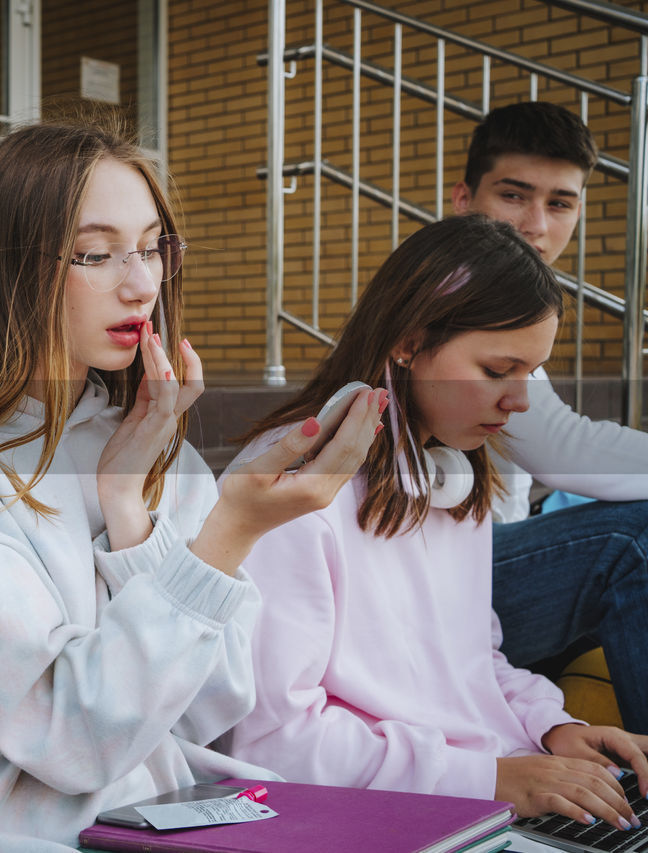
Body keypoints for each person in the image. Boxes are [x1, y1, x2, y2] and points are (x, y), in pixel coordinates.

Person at [0, 115, 385, 851]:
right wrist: (228, 534)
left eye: (154, 248)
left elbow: (209, 703)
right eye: (96, 254)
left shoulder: (149, 445)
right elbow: (66, 735)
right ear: (3, 268)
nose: (142, 283)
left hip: (151, 815)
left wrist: (131, 513)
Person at [220, 214, 648, 830]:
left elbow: (476, 661)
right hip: (402, 813)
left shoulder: (450, 476)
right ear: (409, 341)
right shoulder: (293, 491)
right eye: (498, 371)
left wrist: (551, 727)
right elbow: (271, 742)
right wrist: (489, 780)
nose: (520, 400)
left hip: (488, 786)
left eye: (530, 372)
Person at [450, 101, 648, 734]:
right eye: (514, 195)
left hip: (476, 559)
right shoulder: (453, 293)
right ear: (464, 199)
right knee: (633, 538)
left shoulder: (507, 296)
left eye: (560, 203)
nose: (536, 224)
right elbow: (564, 446)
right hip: (427, 581)